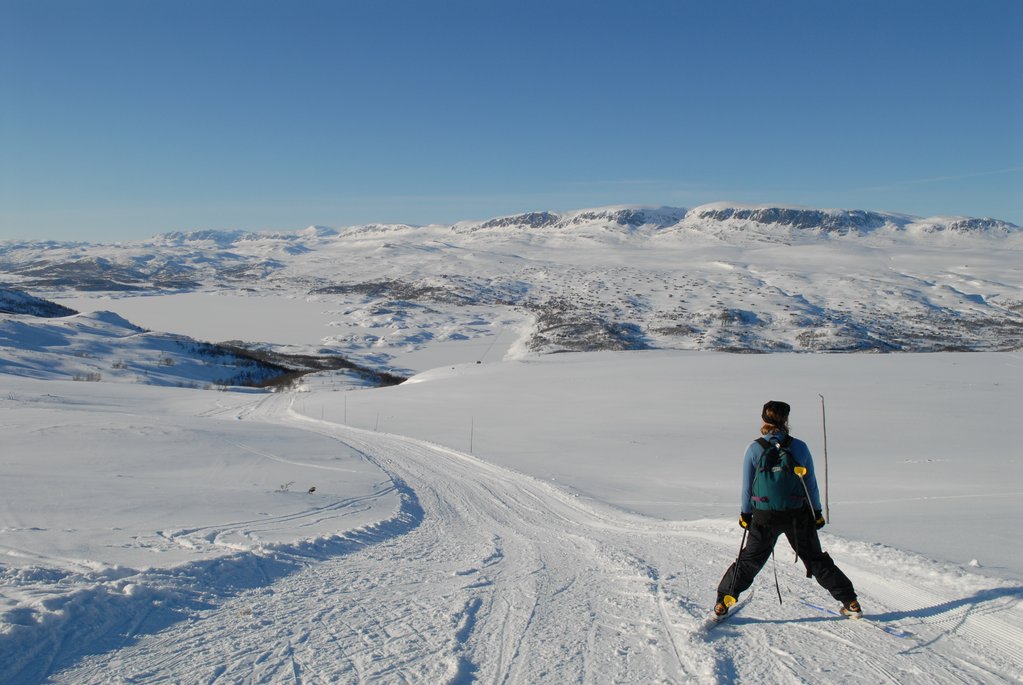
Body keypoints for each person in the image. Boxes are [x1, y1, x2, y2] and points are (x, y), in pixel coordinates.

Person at [713, 400, 862, 618]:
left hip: (764, 515)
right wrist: (817, 512)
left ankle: (723, 602)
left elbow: (747, 485)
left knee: (750, 560)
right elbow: (810, 483)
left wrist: (745, 513)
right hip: (797, 514)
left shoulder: (755, 448)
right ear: (786, 420)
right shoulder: (799, 447)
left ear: (763, 419)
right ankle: (850, 602)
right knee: (815, 559)